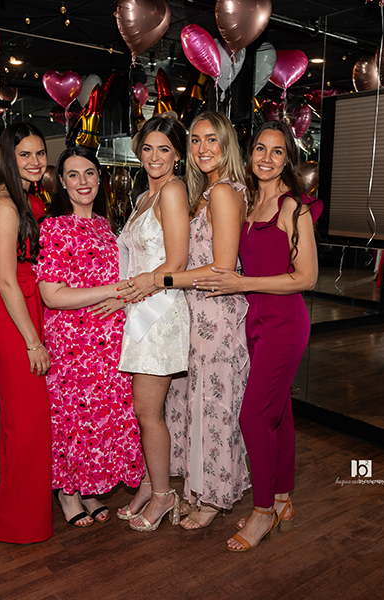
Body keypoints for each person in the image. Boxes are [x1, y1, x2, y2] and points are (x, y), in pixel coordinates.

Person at [195, 121, 322, 551]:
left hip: (285, 324)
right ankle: (282, 498)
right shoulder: (248, 202)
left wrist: (243, 283)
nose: (267, 158)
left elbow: (306, 278)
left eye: (277, 151)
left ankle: (263, 511)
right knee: (279, 414)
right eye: (260, 149)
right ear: (249, 155)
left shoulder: (292, 209)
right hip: (255, 323)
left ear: (288, 160)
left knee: (252, 416)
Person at [136, 111, 251, 529]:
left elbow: (221, 269)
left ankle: (213, 499)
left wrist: (159, 278)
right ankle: (195, 489)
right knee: (191, 408)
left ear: (226, 145)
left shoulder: (223, 192)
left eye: (212, 139)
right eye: (197, 140)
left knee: (214, 410)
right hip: (194, 312)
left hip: (216, 315)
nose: (203, 148)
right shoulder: (206, 192)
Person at [34, 146, 144, 528]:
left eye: (90, 173)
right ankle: (67, 492)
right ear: (62, 183)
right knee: (73, 419)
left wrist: (120, 297)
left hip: (107, 341)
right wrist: (113, 291)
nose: (83, 182)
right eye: (73, 175)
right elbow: (52, 295)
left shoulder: (105, 226)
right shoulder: (54, 227)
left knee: (98, 420)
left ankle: (89, 487)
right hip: (73, 343)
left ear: (100, 178)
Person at [0, 122, 52, 544]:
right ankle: (20, 523)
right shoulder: (3, 203)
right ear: (8, 157)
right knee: (28, 421)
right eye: (25, 154)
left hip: (26, 305)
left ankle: (21, 514)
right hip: (11, 314)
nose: (35, 161)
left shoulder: (26, 196)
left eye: (40, 153)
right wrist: (32, 341)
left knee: (22, 420)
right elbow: (5, 280)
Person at [113, 113, 191, 532]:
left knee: (148, 412)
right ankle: (149, 484)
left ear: (178, 154)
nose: (155, 156)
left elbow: (176, 262)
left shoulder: (173, 190)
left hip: (159, 311)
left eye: (164, 148)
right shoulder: (146, 195)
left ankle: (163, 495)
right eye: (147, 148)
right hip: (139, 308)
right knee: (145, 411)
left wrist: (138, 289)